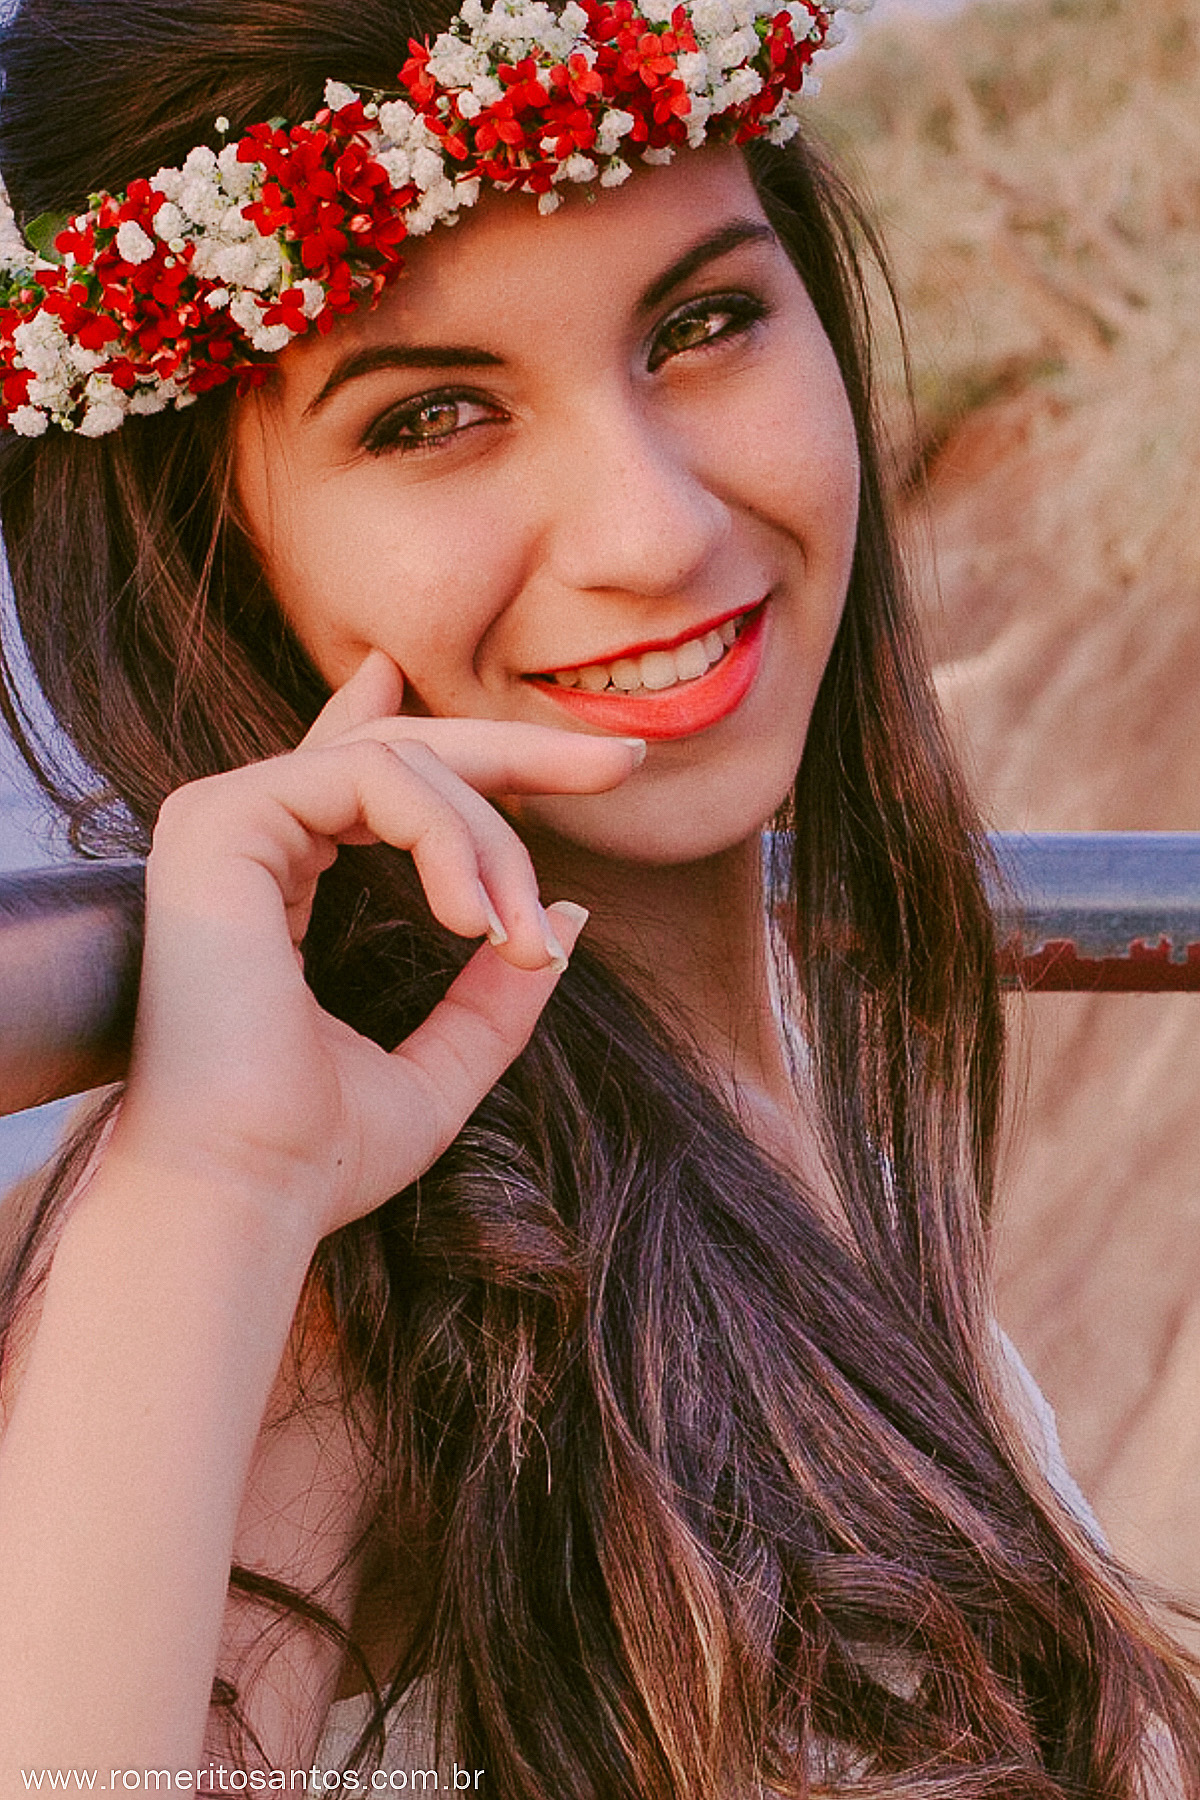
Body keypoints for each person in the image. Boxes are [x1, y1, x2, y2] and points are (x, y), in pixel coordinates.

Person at [0, 0, 1195, 1790]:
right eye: (433, 417)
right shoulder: (330, 1298)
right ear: (205, 540)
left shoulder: (756, 1098)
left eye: (703, 324)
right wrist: (214, 1197)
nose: (655, 530)